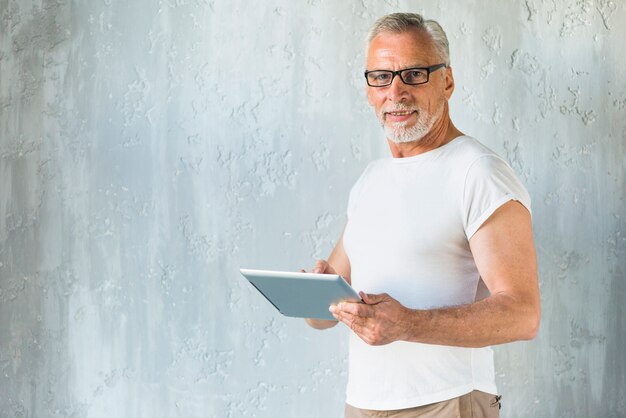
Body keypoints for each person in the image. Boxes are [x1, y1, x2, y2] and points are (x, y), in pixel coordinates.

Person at [304, 12, 541, 418]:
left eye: (413, 74)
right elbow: (324, 315)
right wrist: (316, 295)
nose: (395, 92)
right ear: (368, 90)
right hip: (363, 404)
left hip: (447, 403)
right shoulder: (370, 180)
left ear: (446, 81)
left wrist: (408, 324)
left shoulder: (478, 171)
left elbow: (523, 314)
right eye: (380, 77)